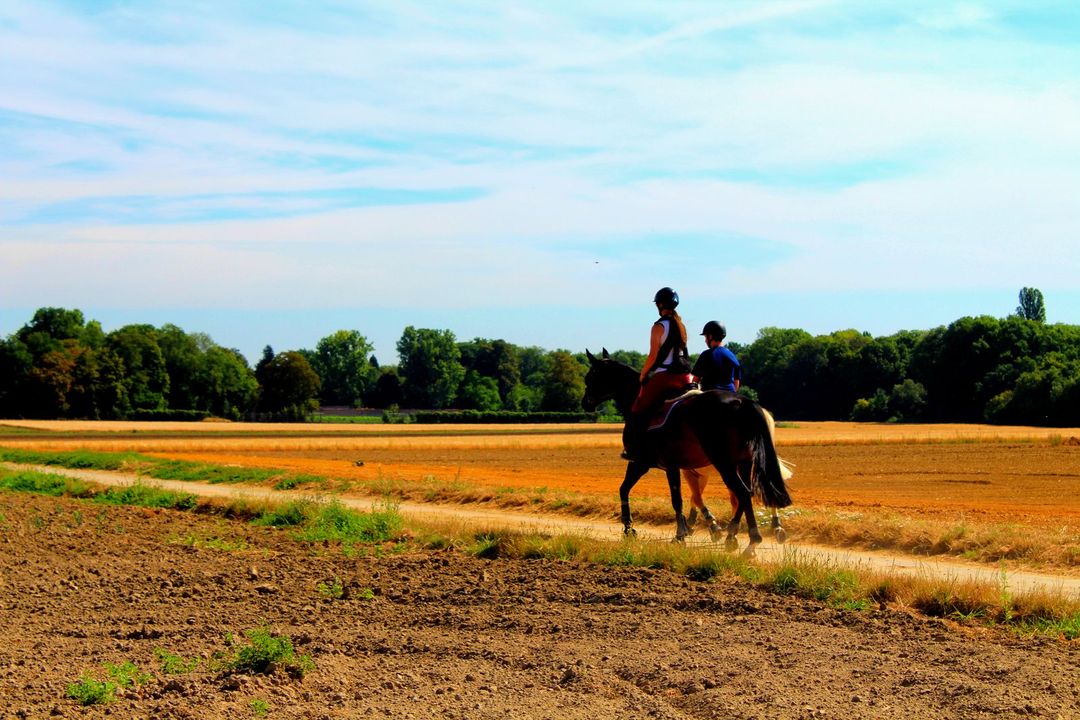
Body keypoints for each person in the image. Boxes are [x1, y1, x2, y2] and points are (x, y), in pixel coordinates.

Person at [622, 287, 694, 461]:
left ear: (660, 305)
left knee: (638, 407)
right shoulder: (681, 325)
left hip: (666, 377)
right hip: (686, 376)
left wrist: (643, 374)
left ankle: (636, 449)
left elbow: (653, 355)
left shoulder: (658, 326)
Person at [692, 320, 741, 393]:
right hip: (730, 394)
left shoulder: (706, 355)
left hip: (709, 394)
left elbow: (695, 380)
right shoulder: (732, 356)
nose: (705, 341)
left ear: (710, 336)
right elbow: (736, 382)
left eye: (705, 337)